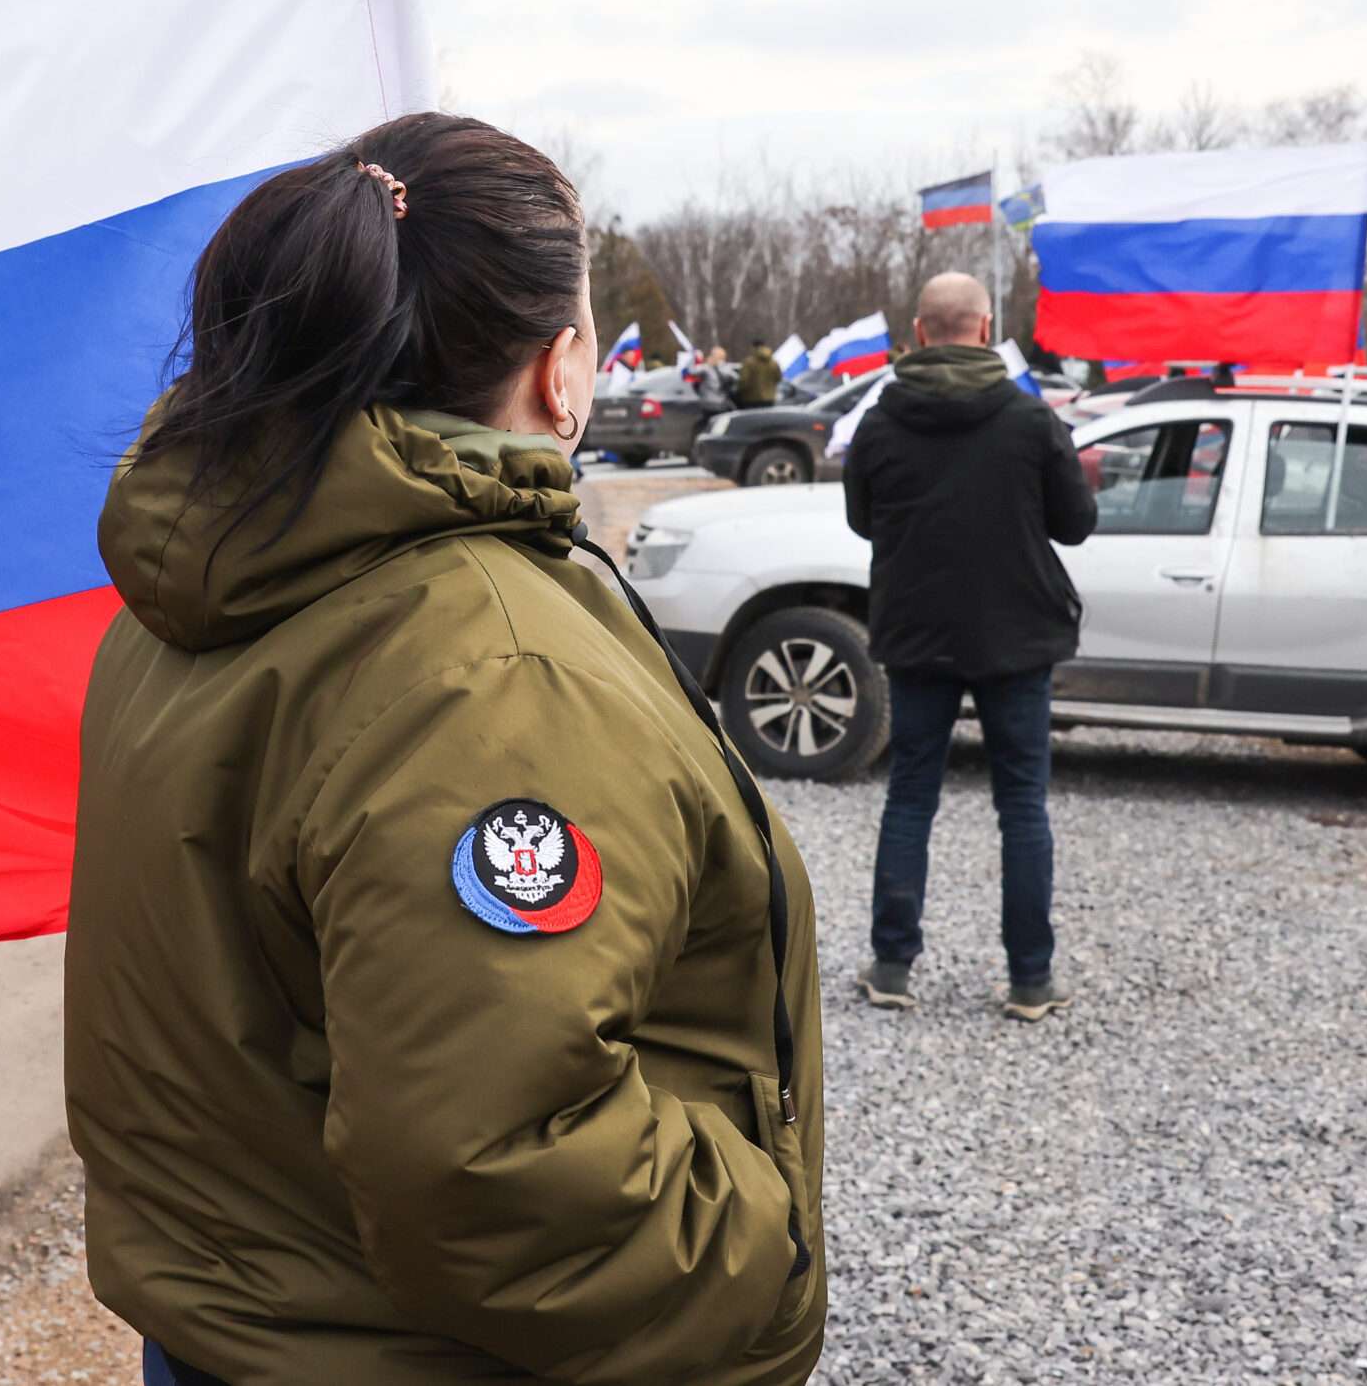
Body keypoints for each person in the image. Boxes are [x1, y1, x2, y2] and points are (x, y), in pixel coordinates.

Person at [69, 112, 827, 1386]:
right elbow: (492, 1161)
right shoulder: (490, 670)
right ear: (561, 371)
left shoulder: (199, 583)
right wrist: (762, 1248)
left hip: (236, 1325)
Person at [843, 272, 1097, 1021]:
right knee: (1021, 806)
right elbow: (1075, 523)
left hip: (917, 634)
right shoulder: (1031, 422)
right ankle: (1029, 980)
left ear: (919, 332)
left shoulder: (879, 425)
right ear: (986, 329)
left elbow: (863, 520)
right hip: (1017, 638)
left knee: (911, 796)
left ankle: (892, 967)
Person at [736, 336, 783, 407]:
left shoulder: (749, 362)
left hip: (751, 399)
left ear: (753, 347)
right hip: (769, 398)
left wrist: (739, 391)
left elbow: (743, 381)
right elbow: (779, 378)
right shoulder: (773, 362)